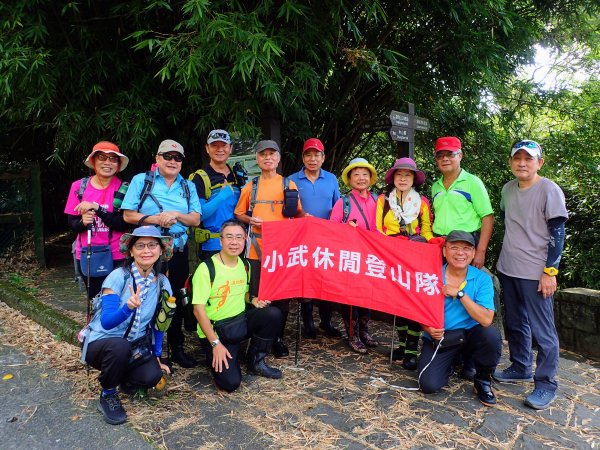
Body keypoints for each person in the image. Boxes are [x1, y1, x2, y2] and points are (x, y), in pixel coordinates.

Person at [494, 140, 568, 410]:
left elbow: (558, 233)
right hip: (509, 267)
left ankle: (546, 383)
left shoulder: (549, 190)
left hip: (536, 272)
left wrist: (550, 271)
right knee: (515, 322)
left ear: (540, 162)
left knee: (543, 330)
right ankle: (520, 366)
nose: (522, 163)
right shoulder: (507, 189)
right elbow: (509, 222)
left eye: (528, 158)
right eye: (517, 158)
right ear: (511, 161)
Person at [121, 139, 202, 368]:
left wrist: (175, 215)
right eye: (167, 156)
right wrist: (157, 219)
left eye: (178, 158)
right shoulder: (142, 180)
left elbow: (196, 218)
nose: (172, 161)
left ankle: (176, 348)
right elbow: (128, 215)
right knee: (144, 297)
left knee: (174, 298)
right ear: (157, 158)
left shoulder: (187, 186)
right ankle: (141, 349)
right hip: (147, 249)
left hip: (176, 248)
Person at [83, 226, 174, 425]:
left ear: (160, 250)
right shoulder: (118, 276)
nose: (146, 250)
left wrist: (157, 356)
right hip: (102, 344)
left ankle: (123, 376)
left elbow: (160, 323)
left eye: (152, 245)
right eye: (140, 245)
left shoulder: (162, 283)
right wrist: (127, 307)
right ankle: (107, 394)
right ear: (131, 251)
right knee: (119, 347)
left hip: (134, 346)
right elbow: (106, 323)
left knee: (152, 376)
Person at [192, 220, 283, 392]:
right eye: (229, 237)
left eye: (239, 237)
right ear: (221, 241)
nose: (234, 242)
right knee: (230, 383)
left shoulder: (245, 265)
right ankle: (215, 354)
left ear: (245, 240)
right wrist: (215, 344)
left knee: (272, 314)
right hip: (217, 329)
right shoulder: (206, 269)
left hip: (239, 321)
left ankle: (256, 361)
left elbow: (244, 292)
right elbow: (198, 310)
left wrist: (253, 300)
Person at [234, 139, 304, 358]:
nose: (267, 158)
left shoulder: (288, 185)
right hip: (256, 248)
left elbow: (299, 213)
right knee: (258, 295)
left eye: (271, 154)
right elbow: (238, 213)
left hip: (282, 251)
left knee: (282, 297)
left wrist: (308, 220)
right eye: (262, 154)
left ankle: (278, 338)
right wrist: (250, 220)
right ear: (257, 159)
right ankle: (259, 340)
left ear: (278, 158)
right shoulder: (251, 186)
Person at [417, 230, 502, 407]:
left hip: (470, 335)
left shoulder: (482, 279)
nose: (460, 253)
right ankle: (454, 360)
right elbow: (419, 310)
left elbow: (486, 319)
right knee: (428, 385)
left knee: (490, 335)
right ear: (444, 251)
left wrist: (460, 294)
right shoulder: (430, 276)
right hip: (442, 337)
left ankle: (483, 381)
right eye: (454, 247)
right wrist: (426, 327)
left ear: (473, 253)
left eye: (466, 248)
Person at [376, 157, 442, 369]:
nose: (403, 178)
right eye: (399, 174)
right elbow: (378, 229)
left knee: (413, 300)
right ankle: (403, 346)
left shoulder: (421, 202)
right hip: (392, 255)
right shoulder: (383, 201)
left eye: (407, 175)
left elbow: (425, 230)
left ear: (414, 179)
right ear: (393, 178)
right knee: (398, 301)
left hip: (415, 255)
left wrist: (432, 242)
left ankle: (412, 351)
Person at [288, 138, 342, 339]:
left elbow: (338, 208)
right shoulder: (292, 180)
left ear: (323, 157)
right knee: (306, 282)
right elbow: (288, 210)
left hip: (326, 239)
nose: (312, 159)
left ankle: (326, 322)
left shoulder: (331, 179)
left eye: (316, 155)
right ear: (303, 157)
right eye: (308, 155)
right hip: (302, 239)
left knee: (326, 281)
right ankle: (308, 324)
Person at [64, 141, 130, 300]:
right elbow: (72, 222)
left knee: (116, 300)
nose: (107, 163)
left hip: (117, 254)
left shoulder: (124, 188)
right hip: (88, 253)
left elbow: (123, 223)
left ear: (118, 164)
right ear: (93, 161)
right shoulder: (79, 187)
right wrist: (82, 222)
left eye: (113, 159)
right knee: (95, 299)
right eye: (102, 157)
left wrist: (97, 209)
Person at [330, 158, 379, 354]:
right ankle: (353, 335)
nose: (361, 178)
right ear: (349, 179)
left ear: (370, 178)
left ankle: (364, 331)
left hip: (371, 257)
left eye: (364, 174)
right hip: (350, 257)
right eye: (356, 174)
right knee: (350, 298)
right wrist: (345, 228)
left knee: (368, 295)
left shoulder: (378, 200)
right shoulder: (344, 202)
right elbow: (332, 227)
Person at [431, 136, 494, 268]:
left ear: (460, 155)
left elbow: (487, 217)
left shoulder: (473, 182)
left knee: (465, 286)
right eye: (440, 155)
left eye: (450, 154)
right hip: (439, 244)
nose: (445, 159)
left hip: (465, 244)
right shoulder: (435, 186)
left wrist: (481, 251)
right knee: (441, 284)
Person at [189, 129, 245, 261]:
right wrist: (221, 197)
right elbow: (199, 216)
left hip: (238, 244)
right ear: (207, 148)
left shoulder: (237, 175)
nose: (220, 149)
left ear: (230, 148)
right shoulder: (199, 178)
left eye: (224, 145)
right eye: (214, 145)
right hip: (213, 245)